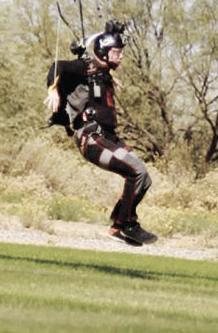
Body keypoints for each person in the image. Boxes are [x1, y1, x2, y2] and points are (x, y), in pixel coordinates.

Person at [62, 26, 154, 245]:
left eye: (121, 52)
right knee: (137, 171)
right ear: (103, 53)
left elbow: (102, 69)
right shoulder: (90, 71)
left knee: (145, 178)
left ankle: (118, 227)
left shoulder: (103, 76)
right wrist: (85, 49)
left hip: (109, 139)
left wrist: (109, 32)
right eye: (116, 52)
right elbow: (73, 65)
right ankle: (127, 225)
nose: (121, 56)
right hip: (92, 139)